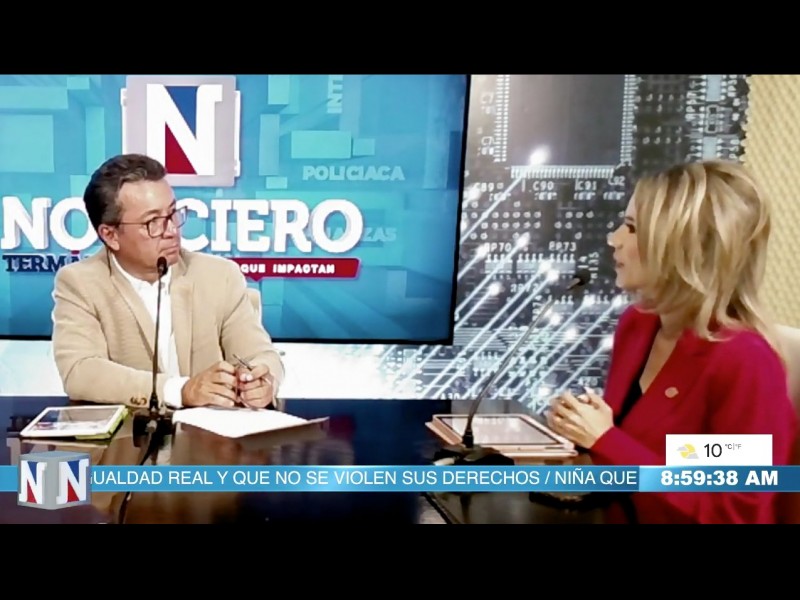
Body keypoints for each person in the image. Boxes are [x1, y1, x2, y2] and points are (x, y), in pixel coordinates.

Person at [546, 159, 797, 524]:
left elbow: (731, 512)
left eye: (632, 228)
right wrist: (582, 433)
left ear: (684, 247)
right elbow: (644, 452)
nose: (614, 239)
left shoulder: (744, 362)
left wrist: (606, 439)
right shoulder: (638, 325)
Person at [52, 154, 285, 411]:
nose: (172, 230)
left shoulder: (219, 276)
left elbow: (260, 355)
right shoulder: (80, 283)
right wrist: (180, 391)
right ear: (110, 235)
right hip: (132, 434)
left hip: (210, 432)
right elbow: (80, 371)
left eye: (172, 213)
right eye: (153, 222)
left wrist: (262, 380)